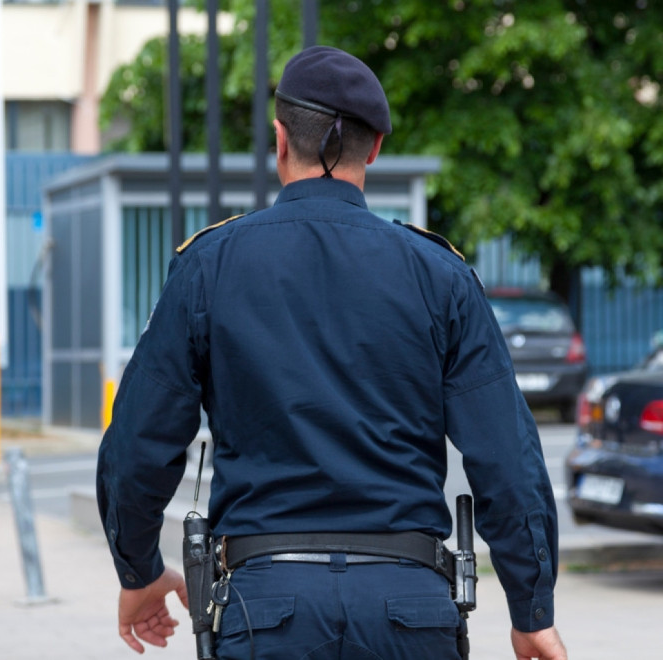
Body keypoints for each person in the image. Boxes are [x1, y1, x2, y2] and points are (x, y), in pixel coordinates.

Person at [96, 45, 567, 660]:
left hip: (265, 613)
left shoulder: (208, 267)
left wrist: (138, 572)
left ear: (279, 136)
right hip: (411, 614)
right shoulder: (441, 277)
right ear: (373, 149)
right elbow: (508, 457)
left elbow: (137, 445)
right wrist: (532, 611)